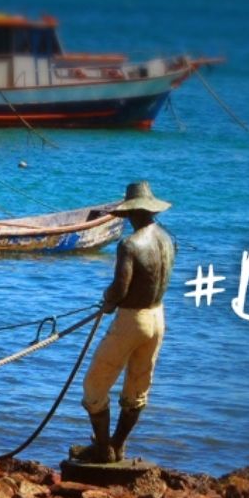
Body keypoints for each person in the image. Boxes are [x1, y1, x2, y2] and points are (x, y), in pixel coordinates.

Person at [74, 181, 176, 464]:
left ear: (133, 212)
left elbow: (120, 289)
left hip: (132, 320)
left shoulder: (129, 245)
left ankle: (104, 448)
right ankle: (118, 445)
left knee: (94, 386)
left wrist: (107, 300)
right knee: (137, 387)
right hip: (158, 317)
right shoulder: (168, 239)